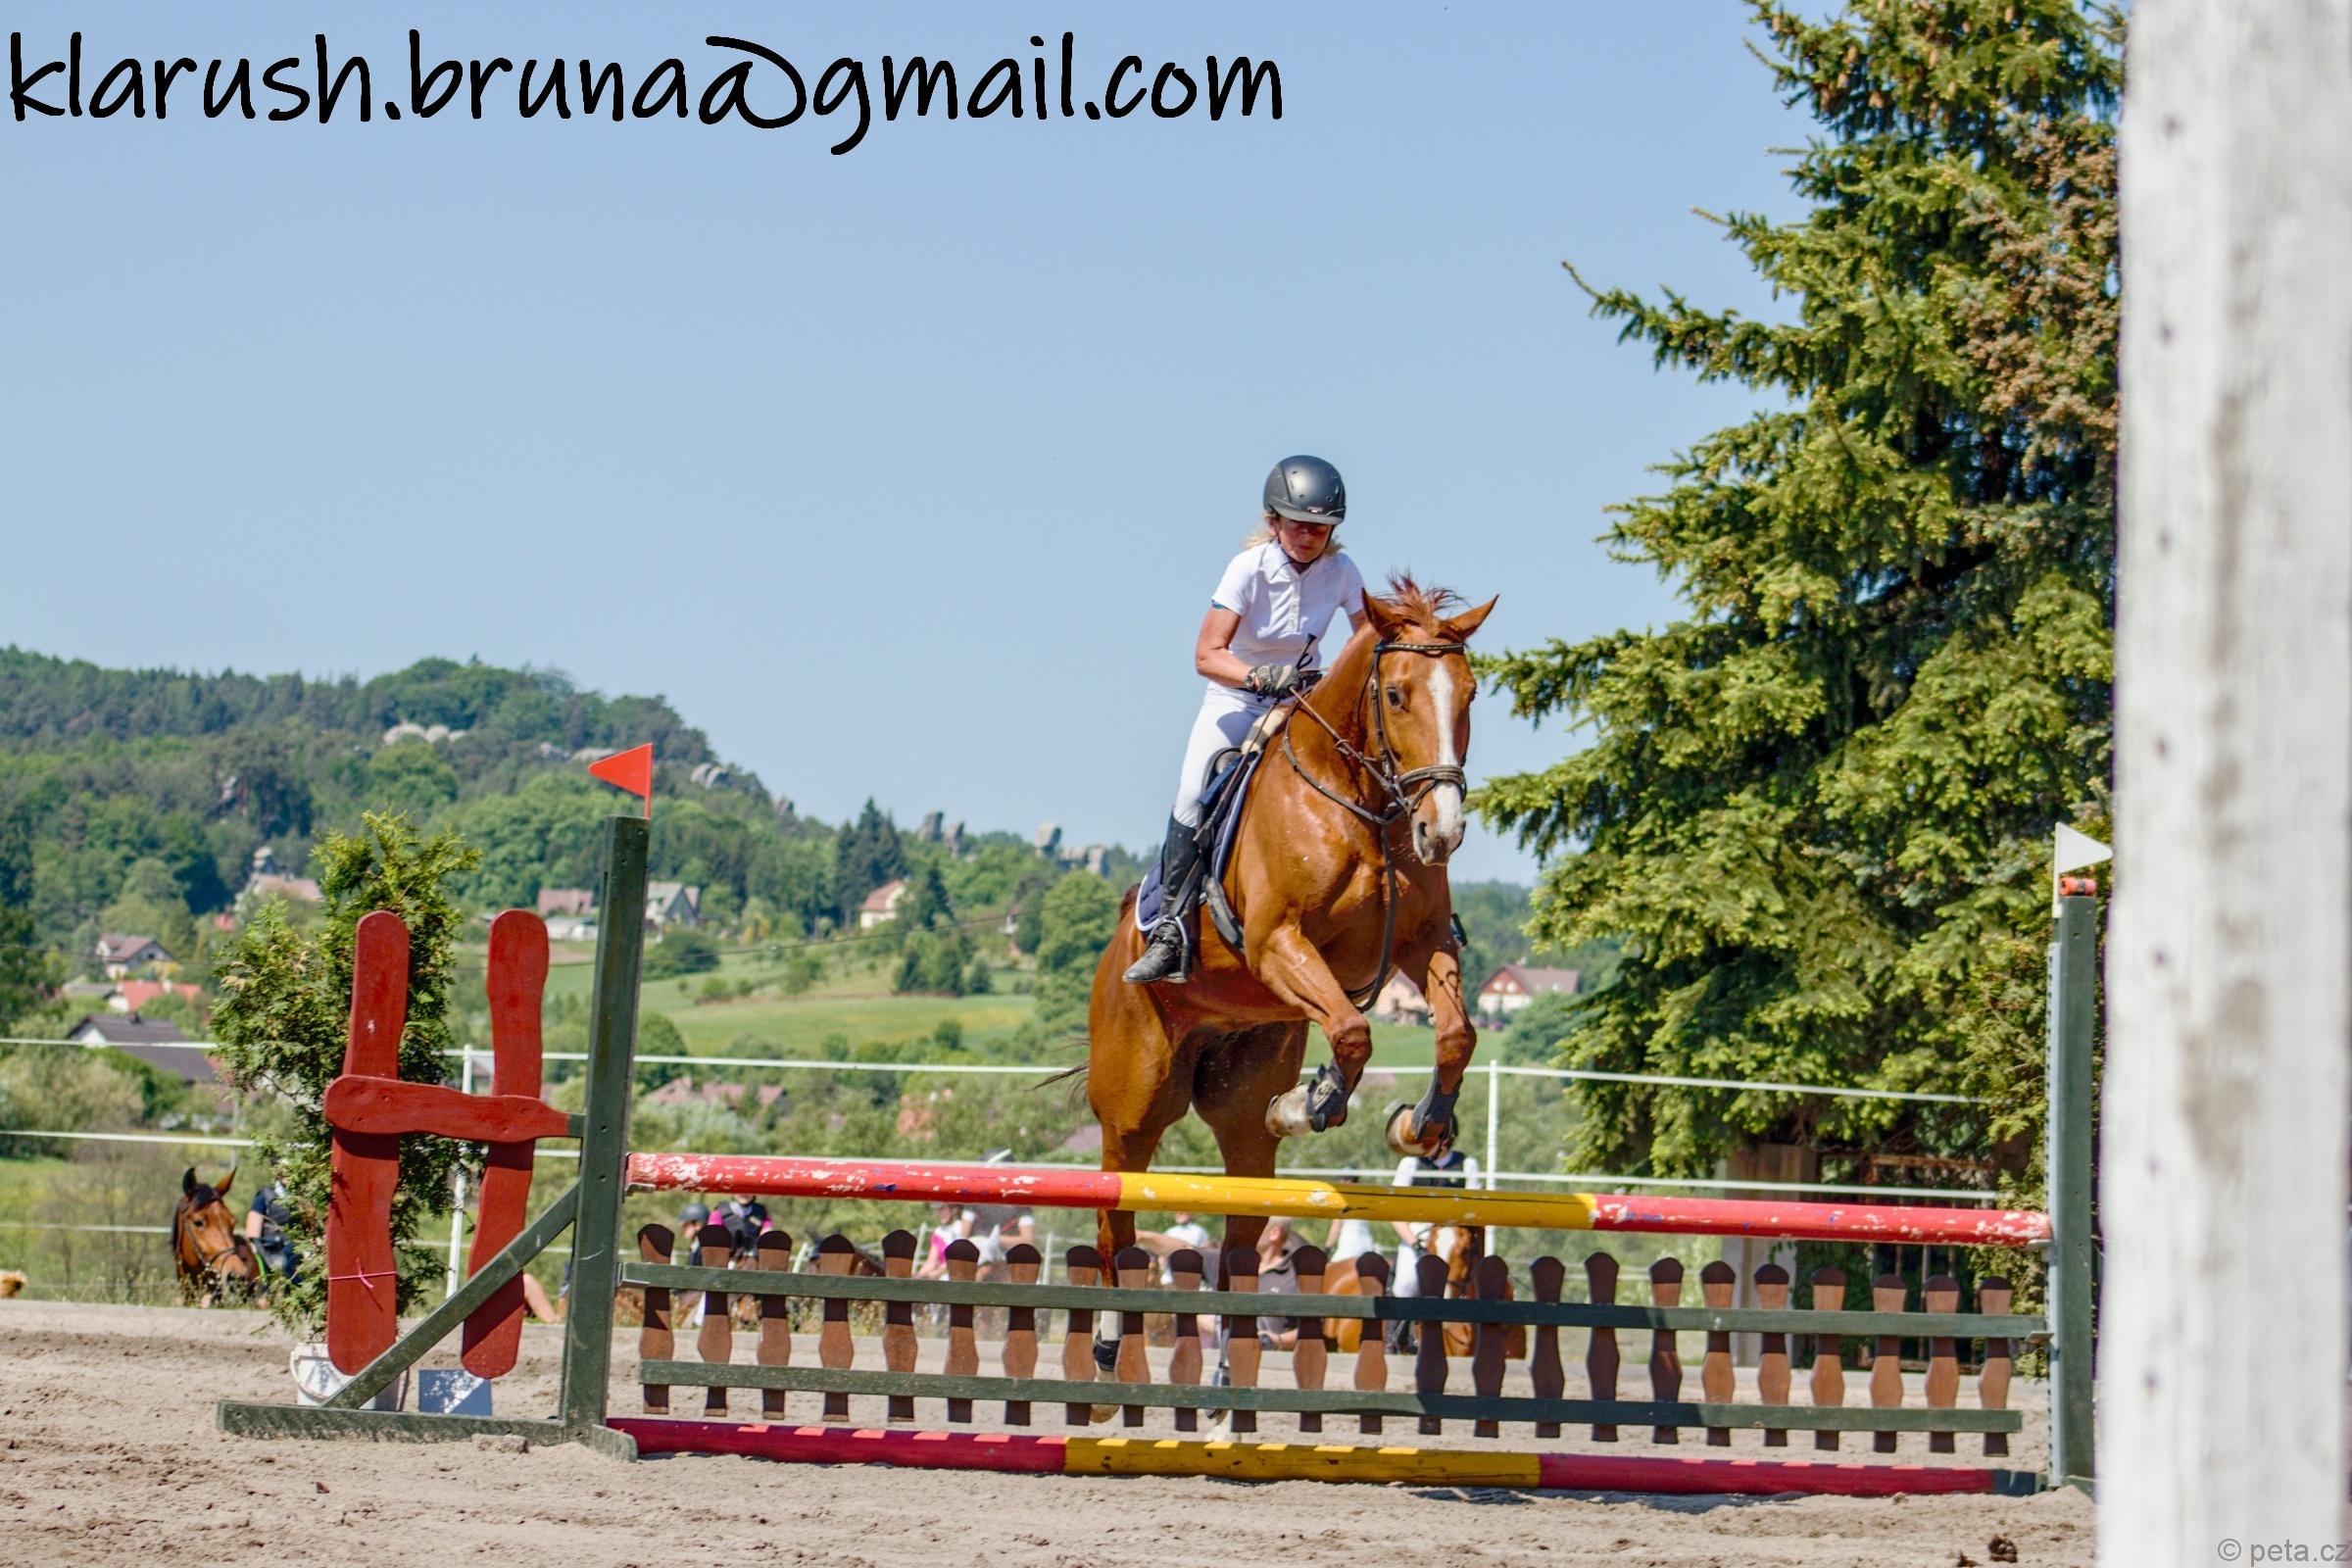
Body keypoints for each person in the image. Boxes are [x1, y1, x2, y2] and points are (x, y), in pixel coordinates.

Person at [1122, 456, 1366, 985]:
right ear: (1274, 521)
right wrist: (1258, 677)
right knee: (1192, 795)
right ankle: (1171, 930)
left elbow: (1369, 639)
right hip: (1236, 701)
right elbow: (1207, 655)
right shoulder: (1247, 569)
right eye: (1297, 525)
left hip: (1302, 701)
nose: (1308, 536)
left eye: (1320, 528)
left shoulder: (1343, 572)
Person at [1385, 1145, 1483, 1352]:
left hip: (1454, 1235)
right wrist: (1415, 1244)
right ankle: (1396, 1338)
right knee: (1406, 1283)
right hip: (1417, 1235)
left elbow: (1476, 1211)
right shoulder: (1410, 1164)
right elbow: (1394, 1211)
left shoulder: (1467, 1165)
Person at [244, 1178, 299, 1286]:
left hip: (295, 1246)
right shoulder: (264, 1196)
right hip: (272, 1249)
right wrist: (263, 1255)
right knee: (284, 1264)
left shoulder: (299, 1195)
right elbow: (252, 1232)